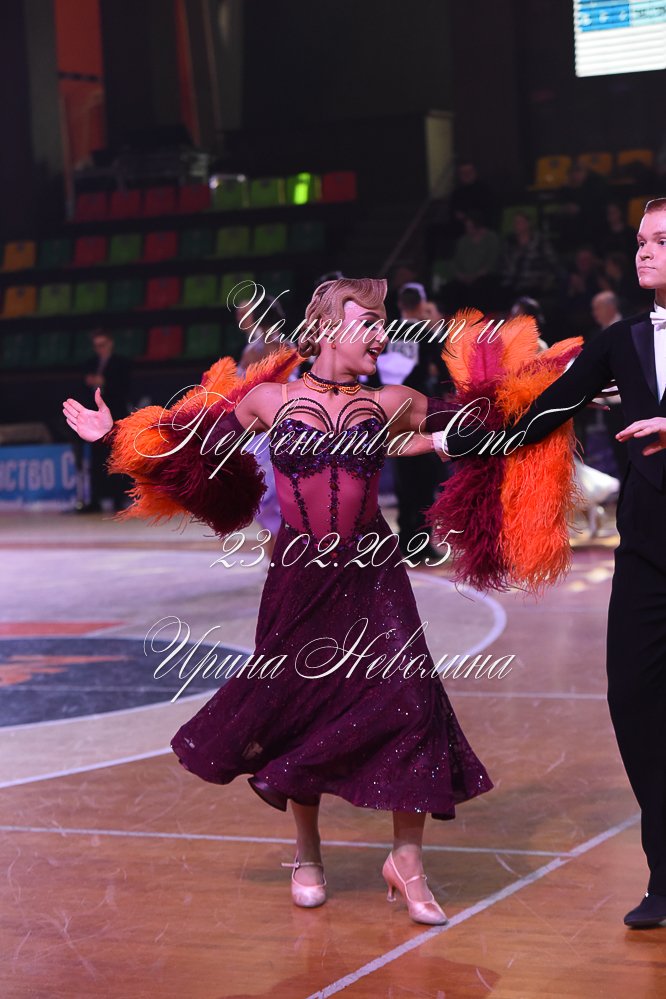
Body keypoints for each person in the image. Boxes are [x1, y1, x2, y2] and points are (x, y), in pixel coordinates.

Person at [62, 277, 492, 924]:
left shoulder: (393, 401)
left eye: (383, 323)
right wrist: (113, 432)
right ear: (328, 330)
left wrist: (561, 393)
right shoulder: (269, 399)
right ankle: (307, 853)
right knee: (299, 705)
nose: (382, 336)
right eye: (369, 323)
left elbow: (477, 419)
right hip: (299, 575)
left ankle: (407, 860)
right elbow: (188, 439)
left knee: (411, 699)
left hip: (373, 571)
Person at [429, 197, 666, 929]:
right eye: (641, 240)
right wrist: (453, 440)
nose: (644, 251)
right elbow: (547, 411)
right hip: (648, 552)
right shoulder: (621, 339)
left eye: (661, 240)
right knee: (634, 697)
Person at [376, 283, 450, 557]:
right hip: (421, 411)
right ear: (421, 304)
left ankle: (405, 535)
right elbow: (445, 372)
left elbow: (373, 372)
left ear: (399, 304)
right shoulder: (426, 334)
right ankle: (420, 540)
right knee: (426, 475)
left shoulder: (386, 334)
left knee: (403, 473)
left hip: (393, 412)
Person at [80, 329, 131, 512]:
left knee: (115, 458)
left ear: (110, 343)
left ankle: (118, 499)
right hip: (95, 420)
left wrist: (105, 382)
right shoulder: (90, 364)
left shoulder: (121, 363)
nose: (99, 349)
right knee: (96, 460)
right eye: (96, 346)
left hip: (115, 417)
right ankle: (95, 499)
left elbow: (125, 389)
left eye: (102, 344)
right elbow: (82, 389)